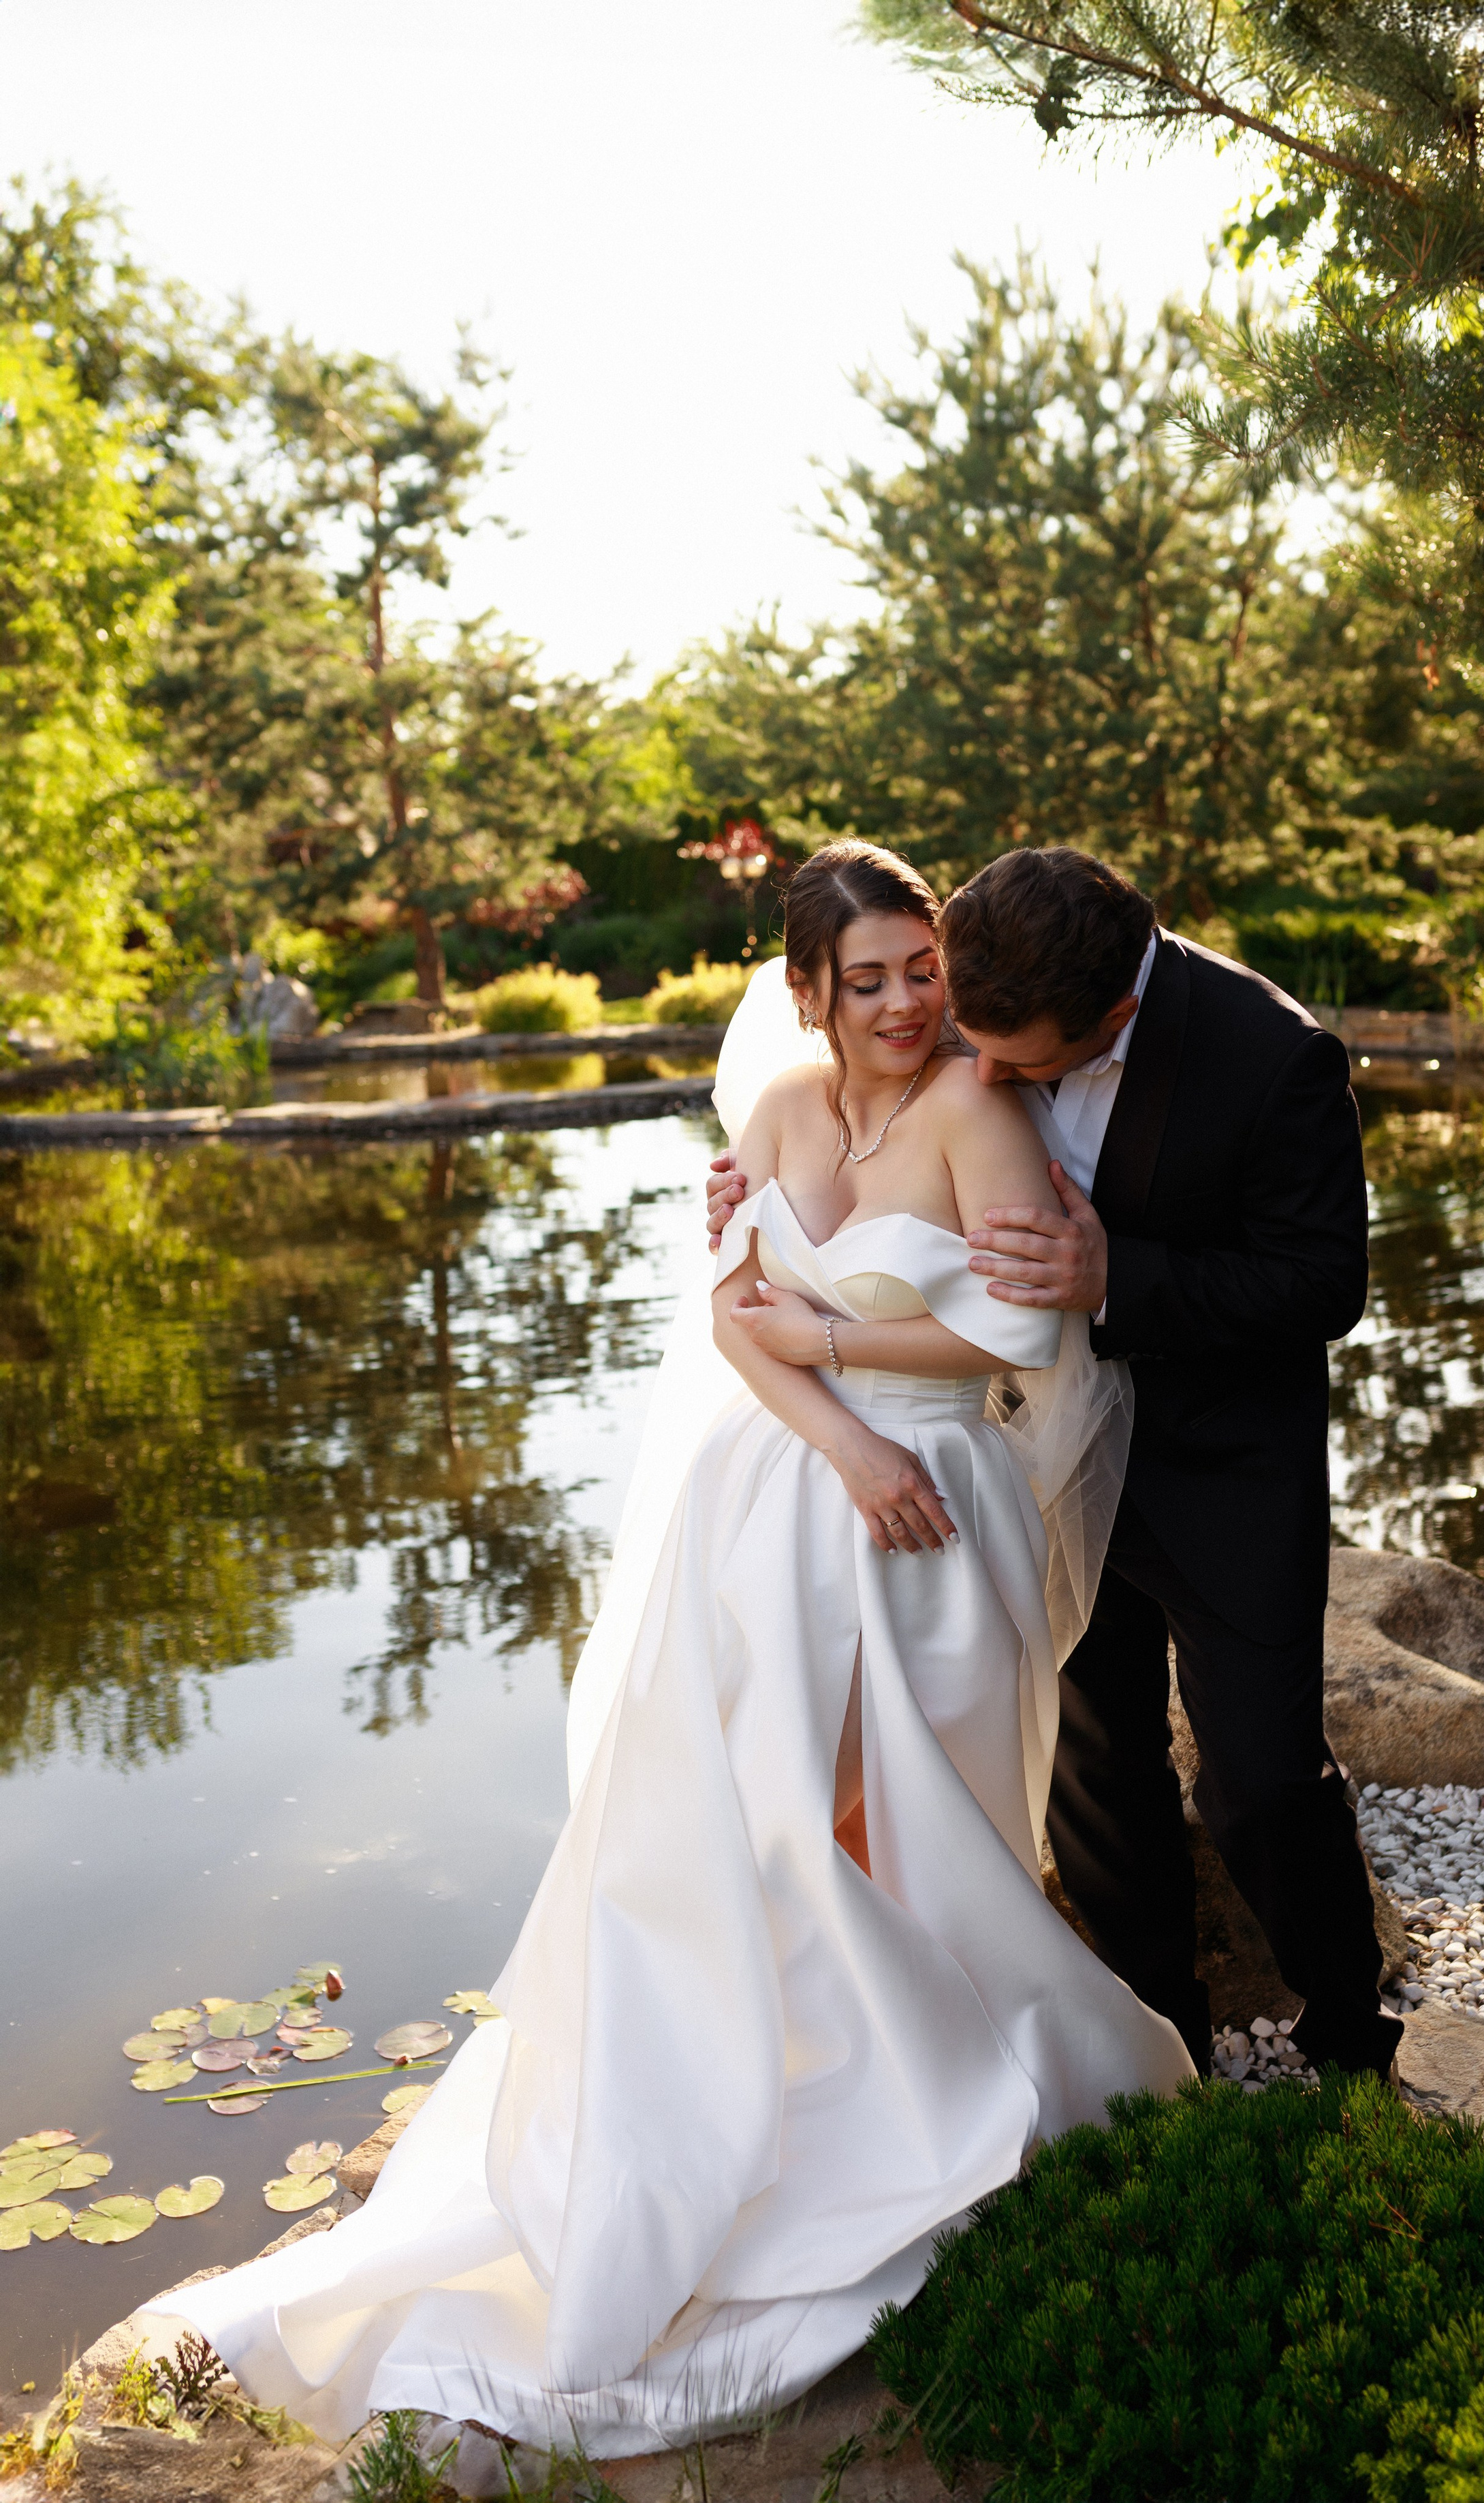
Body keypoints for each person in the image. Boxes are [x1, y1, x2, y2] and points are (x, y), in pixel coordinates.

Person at [142, 842, 1191, 2463]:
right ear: (805, 993)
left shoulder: (983, 1112)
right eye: (871, 978)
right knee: (760, 1828)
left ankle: (930, 2097)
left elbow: (1011, 1331)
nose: (908, 1000)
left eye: (923, 968)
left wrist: (841, 1370)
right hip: (780, 1504)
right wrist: (835, 1439)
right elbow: (727, 1314)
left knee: (904, 1829)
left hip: (927, 1513)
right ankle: (769, 2090)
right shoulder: (774, 1114)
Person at [710, 845, 1399, 2085]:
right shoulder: (1001, 956)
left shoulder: (1272, 1057)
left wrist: (1112, 1279)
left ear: (1111, 1018)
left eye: (1009, 1059)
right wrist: (765, 1204)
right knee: (1096, 1767)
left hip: (1214, 1469)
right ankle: (1154, 2040)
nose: (963, 1055)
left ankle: (1351, 2033)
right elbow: (877, 1009)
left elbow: (1323, 1285)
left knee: (1257, 1774)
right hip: (1024, 1458)